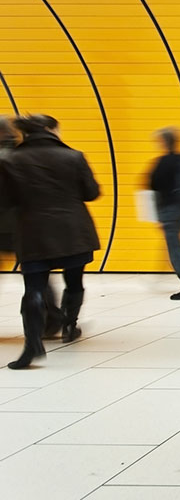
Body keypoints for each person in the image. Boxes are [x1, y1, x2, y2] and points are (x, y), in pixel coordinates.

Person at [1, 114, 101, 369]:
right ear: (49, 130)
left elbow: (5, 201)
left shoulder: (12, 160)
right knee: (74, 280)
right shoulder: (74, 156)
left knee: (33, 288)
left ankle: (32, 344)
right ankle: (69, 325)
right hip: (72, 231)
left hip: (32, 232)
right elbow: (91, 193)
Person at [149, 127, 180, 300]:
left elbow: (153, 184)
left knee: (176, 249)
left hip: (170, 210)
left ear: (163, 142)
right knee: (174, 245)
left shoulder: (163, 162)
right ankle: (176, 275)